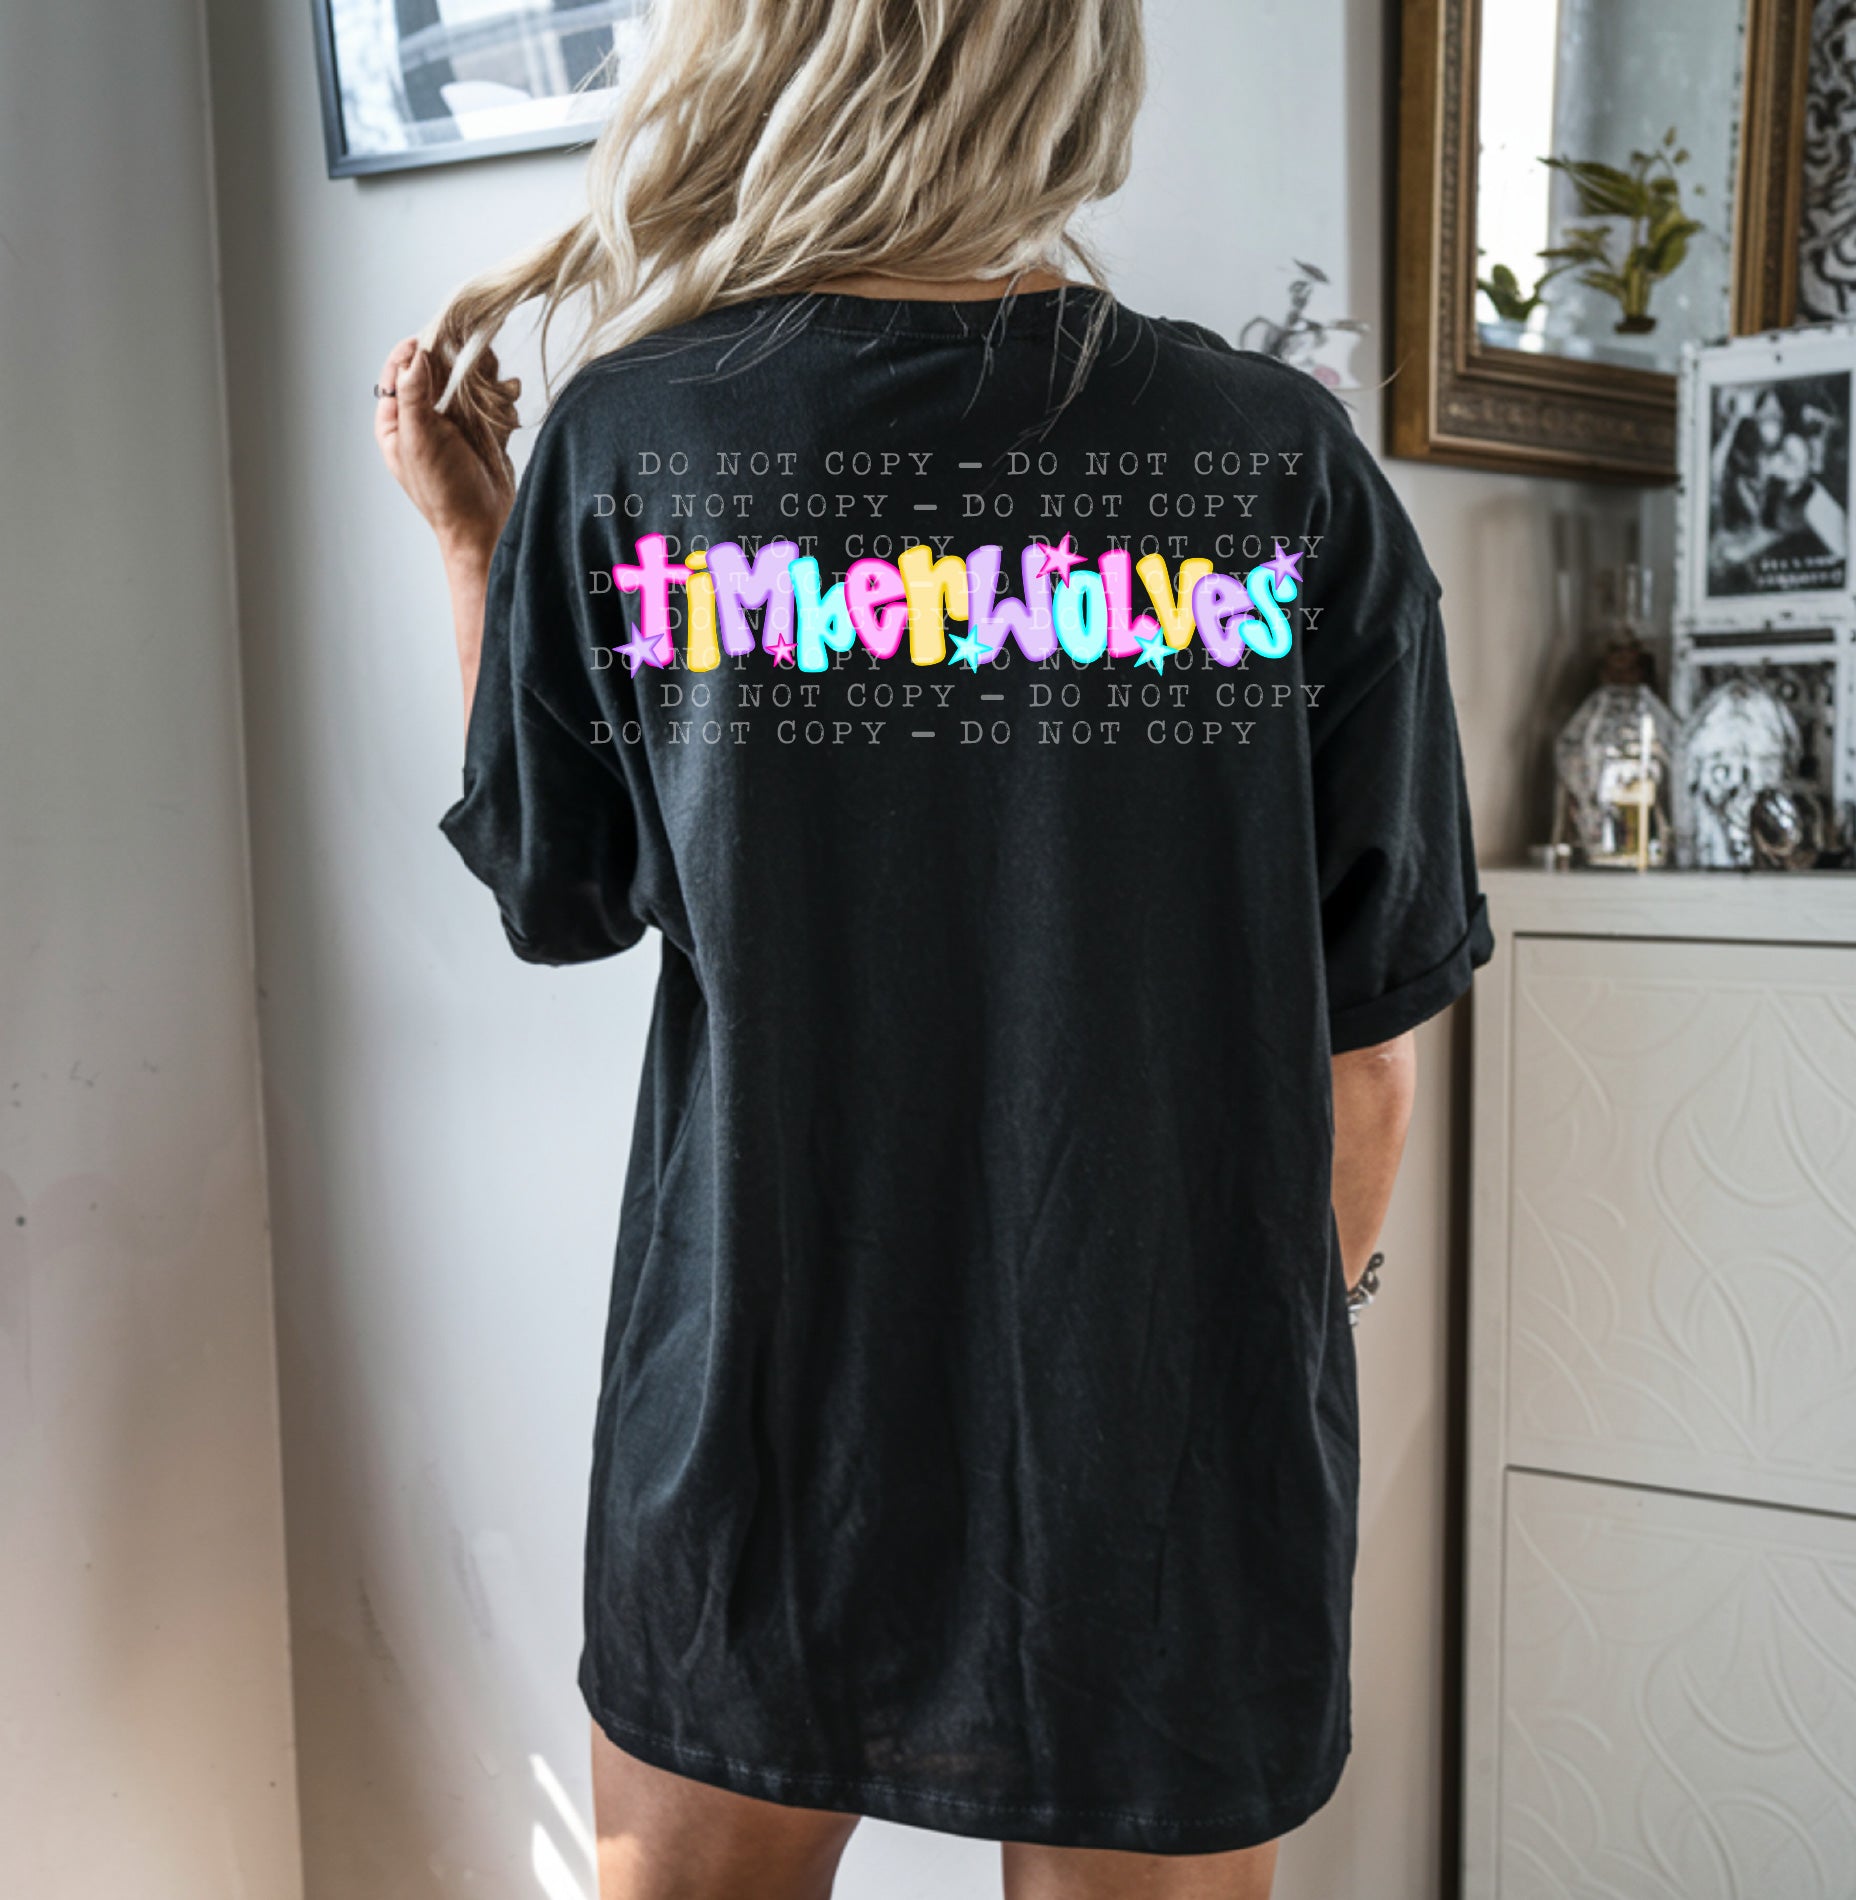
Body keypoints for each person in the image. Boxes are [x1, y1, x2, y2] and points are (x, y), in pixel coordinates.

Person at [374, 3, 1492, 1895]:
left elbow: (557, 897)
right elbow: (1366, 1052)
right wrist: (1256, 1349)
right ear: (1071, 80)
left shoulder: (637, 439)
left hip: (755, 1434)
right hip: (1159, 1470)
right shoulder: (1277, 463)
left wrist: (479, 547)